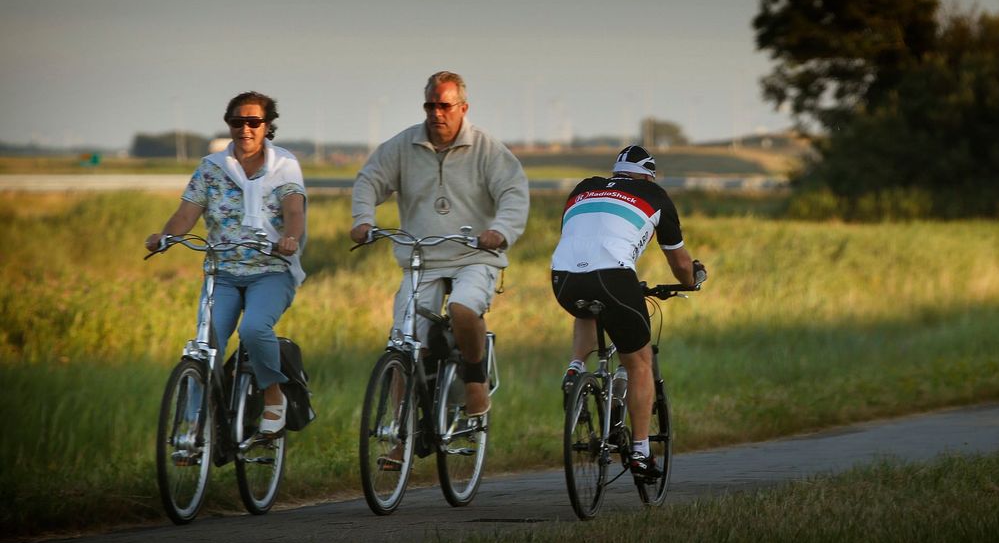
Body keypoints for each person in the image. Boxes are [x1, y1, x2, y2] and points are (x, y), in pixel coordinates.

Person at [351, 70, 529, 421]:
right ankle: (400, 431)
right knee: (403, 344)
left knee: (463, 309)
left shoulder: (487, 148)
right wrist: (362, 219)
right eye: (430, 105)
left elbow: (513, 191)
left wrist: (500, 230)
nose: (437, 113)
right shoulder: (403, 146)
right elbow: (369, 180)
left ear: (463, 107)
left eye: (444, 106)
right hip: (422, 259)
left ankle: (475, 377)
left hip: (475, 255)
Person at [145, 91, 307, 435]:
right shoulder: (211, 168)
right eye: (237, 122)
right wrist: (165, 236)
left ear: (267, 126)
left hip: (271, 270)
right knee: (207, 342)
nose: (245, 129)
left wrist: (290, 238)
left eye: (254, 122)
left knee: (253, 329)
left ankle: (273, 394)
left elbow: (294, 210)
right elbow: (186, 213)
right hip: (223, 272)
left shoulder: (284, 166)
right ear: (228, 125)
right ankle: (193, 427)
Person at [551, 145, 707, 478]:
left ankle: (575, 369)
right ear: (649, 174)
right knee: (639, 362)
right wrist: (693, 278)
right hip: (614, 277)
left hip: (563, 278)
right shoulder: (655, 195)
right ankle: (639, 453)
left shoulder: (583, 188)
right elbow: (679, 263)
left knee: (587, 310)